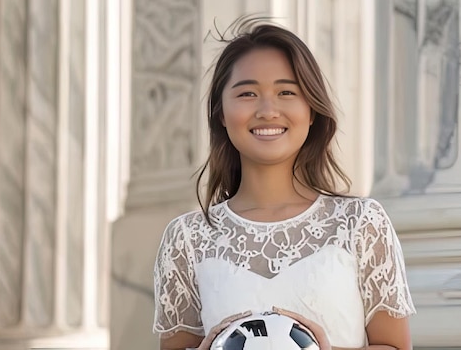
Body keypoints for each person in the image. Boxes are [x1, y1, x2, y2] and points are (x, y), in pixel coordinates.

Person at [153, 18, 416, 350]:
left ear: (311, 110)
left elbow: (396, 346)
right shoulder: (187, 238)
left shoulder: (361, 223)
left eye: (286, 92)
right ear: (221, 113)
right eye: (247, 93)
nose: (267, 110)